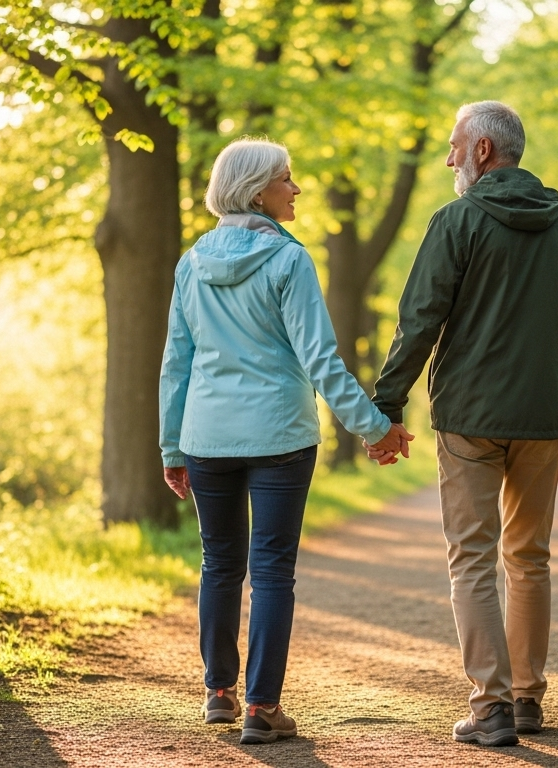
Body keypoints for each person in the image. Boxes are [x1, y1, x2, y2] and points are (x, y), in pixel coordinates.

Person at [367, 101, 558, 747]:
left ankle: (491, 707)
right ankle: (527, 699)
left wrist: (385, 406)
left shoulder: (455, 222)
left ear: (481, 151)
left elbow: (418, 321)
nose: (448, 158)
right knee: (529, 558)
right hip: (544, 418)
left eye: (454, 146)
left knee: (471, 558)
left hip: (470, 420)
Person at [160, 137, 414, 745]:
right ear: (256, 191)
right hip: (279, 436)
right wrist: (377, 429)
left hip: (206, 436)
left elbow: (177, 362)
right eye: (287, 179)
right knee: (271, 569)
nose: (296, 189)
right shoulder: (289, 260)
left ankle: (218, 692)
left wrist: (172, 447)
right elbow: (321, 360)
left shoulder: (191, 263)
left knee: (219, 563)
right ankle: (260, 708)